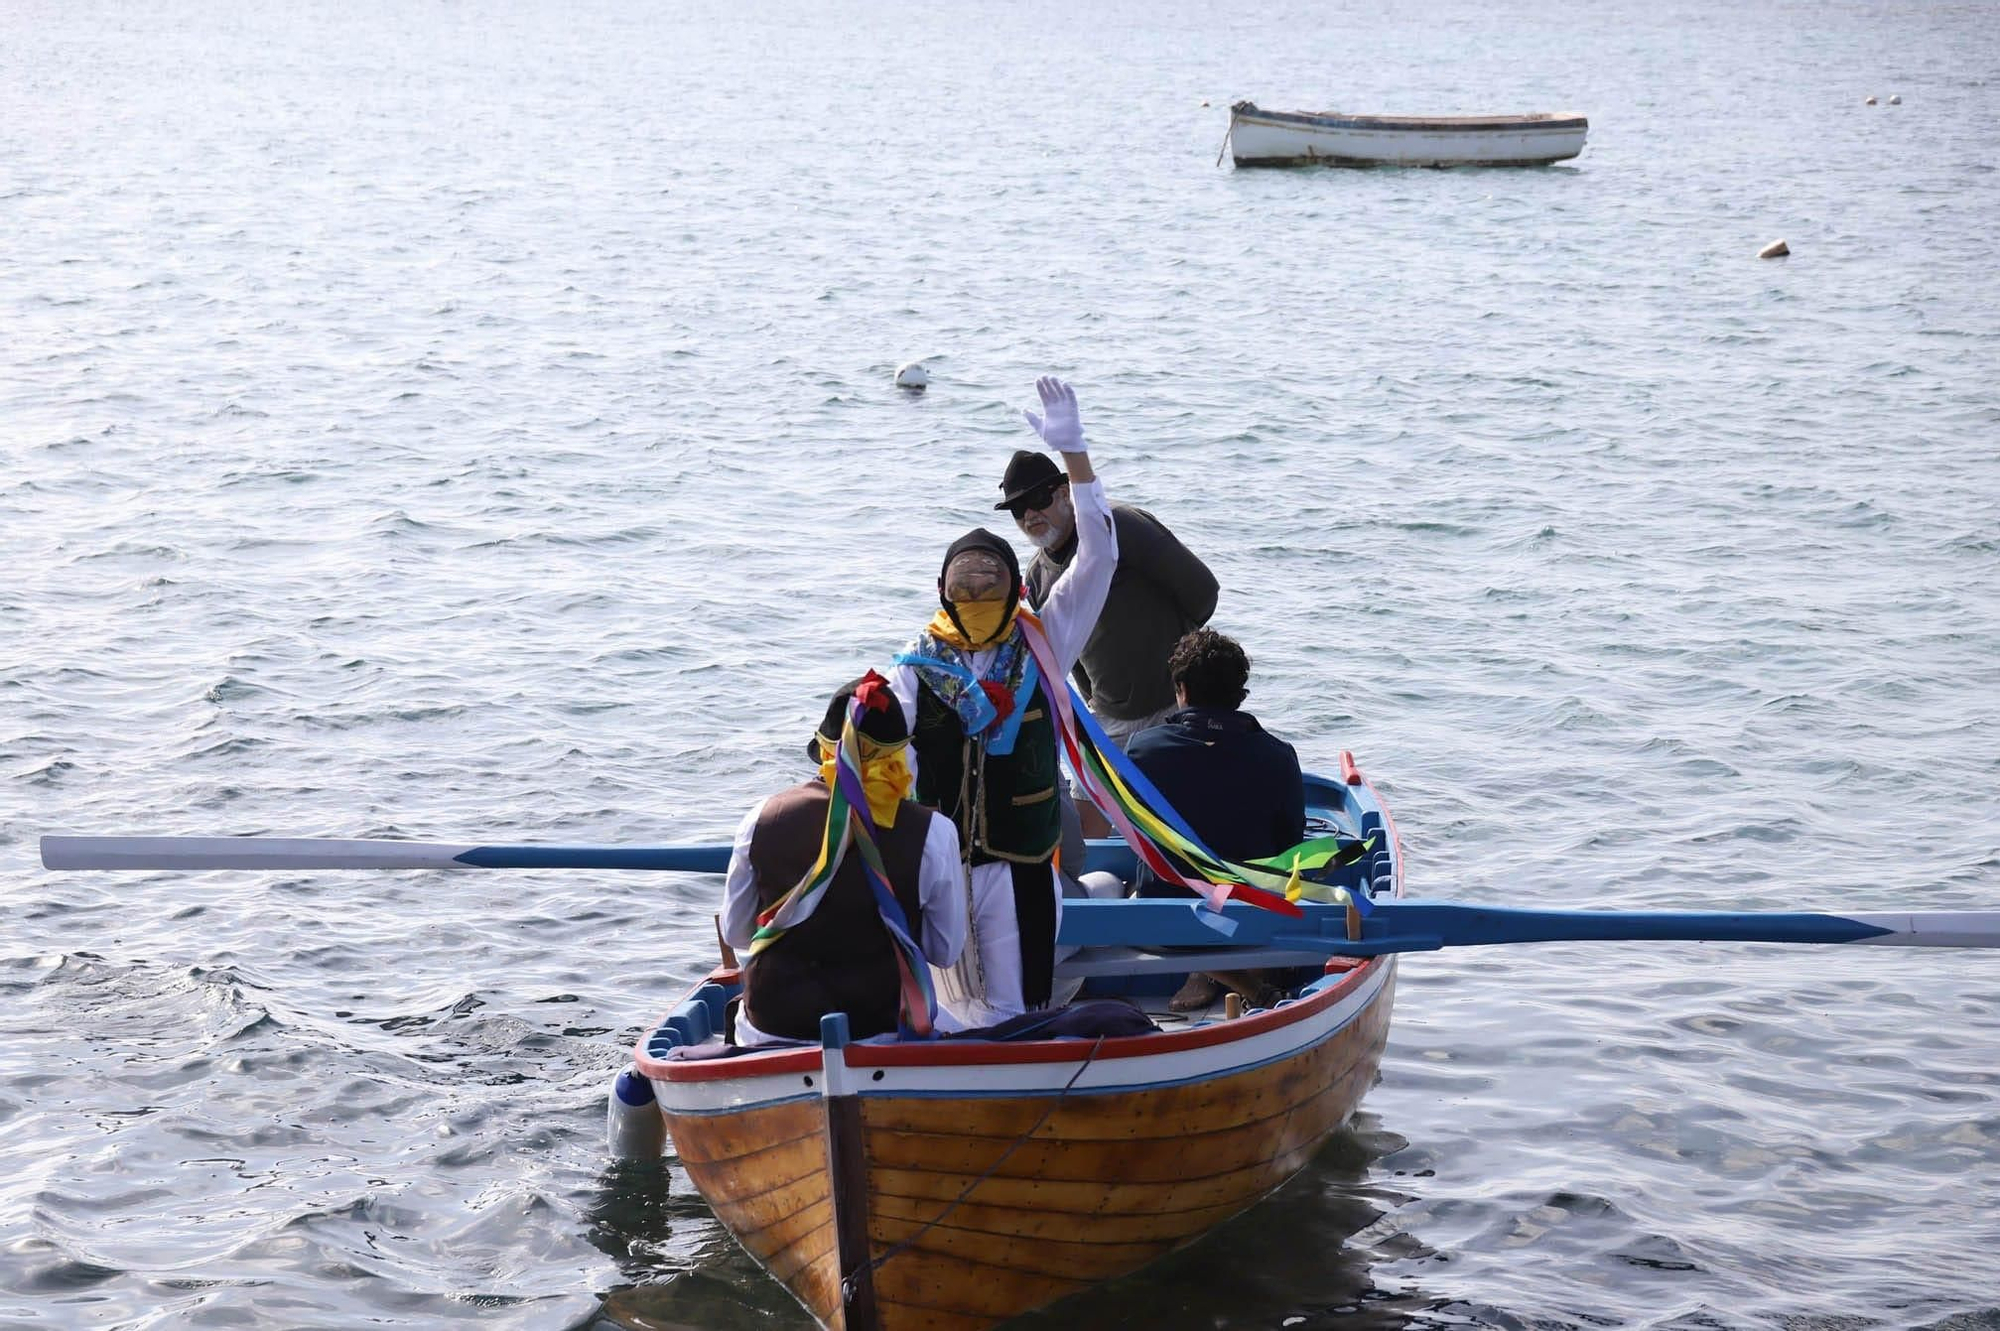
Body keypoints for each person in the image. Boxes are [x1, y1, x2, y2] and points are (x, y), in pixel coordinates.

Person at [886, 377, 1118, 1032]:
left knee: (1019, 1005)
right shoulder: (918, 663)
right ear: (942, 589)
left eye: (992, 576)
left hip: (1021, 863)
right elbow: (877, 743)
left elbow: (1099, 553)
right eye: (966, 579)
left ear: (1016, 583)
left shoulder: (1045, 641)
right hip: (943, 863)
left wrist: (1075, 458)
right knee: (949, 1007)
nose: (980, 587)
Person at [719, 672, 967, 1046]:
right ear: (900, 755)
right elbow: (943, 952)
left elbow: (736, 933)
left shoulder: (762, 817)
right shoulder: (935, 832)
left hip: (769, 1029)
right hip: (876, 1032)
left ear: (824, 750)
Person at [1125, 628, 1306, 1011]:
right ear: (1239, 697)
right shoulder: (1278, 756)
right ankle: (1239, 979)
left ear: (1181, 689)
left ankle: (1212, 974)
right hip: (1250, 924)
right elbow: (1292, 844)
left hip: (1163, 928)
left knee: (1106, 881)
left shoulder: (1142, 750)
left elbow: (1134, 836)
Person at [997, 446, 1218, 750]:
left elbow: (1203, 591)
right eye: (1018, 509)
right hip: (1109, 717)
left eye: (1038, 499)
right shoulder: (1036, 577)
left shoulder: (1119, 525)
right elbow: (1067, 655)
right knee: (1087, 795)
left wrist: (1183, 667)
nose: (1030, 514)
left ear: (1064, 493)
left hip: (1178, 701)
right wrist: (1097, 703)